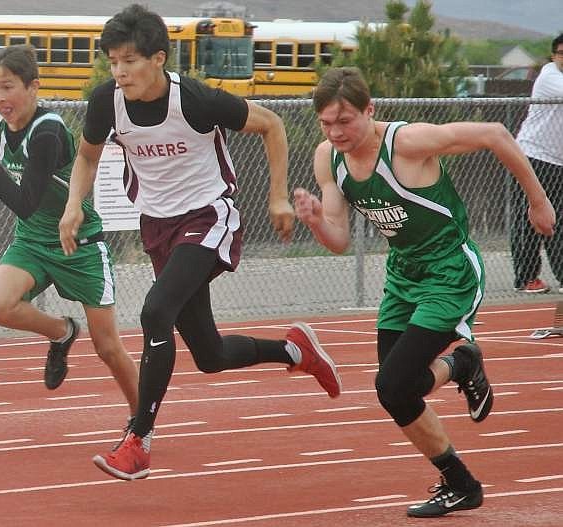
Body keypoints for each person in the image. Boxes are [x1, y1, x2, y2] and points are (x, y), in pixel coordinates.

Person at [58, 4, 342, 481]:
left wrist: (277, 197)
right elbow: (86, 158)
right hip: (158, 226)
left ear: (157, 59)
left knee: (155, 311)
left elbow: (271, 124)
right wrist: (72, 206)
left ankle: (138, 441)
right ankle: (295, 351)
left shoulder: (192, 100)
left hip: (209, 214)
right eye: (112, 61)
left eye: (129, 60)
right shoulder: (106, 101)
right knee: (209, 356)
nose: (119, 71)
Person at [293, 67, 555, 518]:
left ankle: (461, 437)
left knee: (391, 384)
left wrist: (538, 199)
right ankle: (461, 469)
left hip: (448, 272)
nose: (336, 132)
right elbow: (340, 241)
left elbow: (494, 133)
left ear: (370, 110)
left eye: (346, 121)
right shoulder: (327, 158)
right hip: (403, 276)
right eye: (327, 123)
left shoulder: (407, 143)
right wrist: (317, 220)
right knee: (397, 392)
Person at [0, 45, 139, 425]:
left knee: (108, 348)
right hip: (32, 242)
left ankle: (141, 419)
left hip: (78, 245)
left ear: (34, 87)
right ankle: (61, 332)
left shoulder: (47, 132)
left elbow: (25, 202)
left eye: (8, 87)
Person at [512, 33, 563, 294]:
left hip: (558, 161)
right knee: (529, 218)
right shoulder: (550, 76)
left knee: (558, 220)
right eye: (561, 53)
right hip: (533, 157)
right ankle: (526, 277)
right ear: (554, 55)